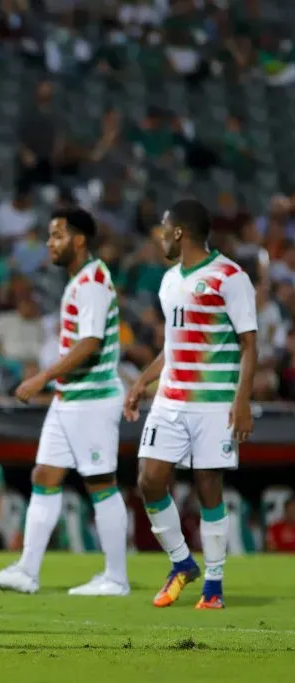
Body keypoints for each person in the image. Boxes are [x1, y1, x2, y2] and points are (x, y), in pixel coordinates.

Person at [0, 208, 130, 596]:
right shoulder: (79, 280)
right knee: (44, 477)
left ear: (80, 240)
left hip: (92, 399)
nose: (50, 243)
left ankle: (116, 577)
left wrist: (43, 377)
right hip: (70, 400)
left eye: (58, 235)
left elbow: (91, 342)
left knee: (100, 484)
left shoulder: (94, 281)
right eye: (49, 235)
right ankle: (27, 571)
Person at [124, 198, 257, 610]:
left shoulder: (230, 277)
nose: (160, 237)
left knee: (207, 486)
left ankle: (213, 586)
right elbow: (174, 346)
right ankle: (182, 562)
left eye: (164, 229)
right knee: (149, 479)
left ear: (179, 231)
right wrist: (143, 382)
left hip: (215, 402)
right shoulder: (168, 282)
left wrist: (243, 401)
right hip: (170, 399)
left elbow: (248, 344)